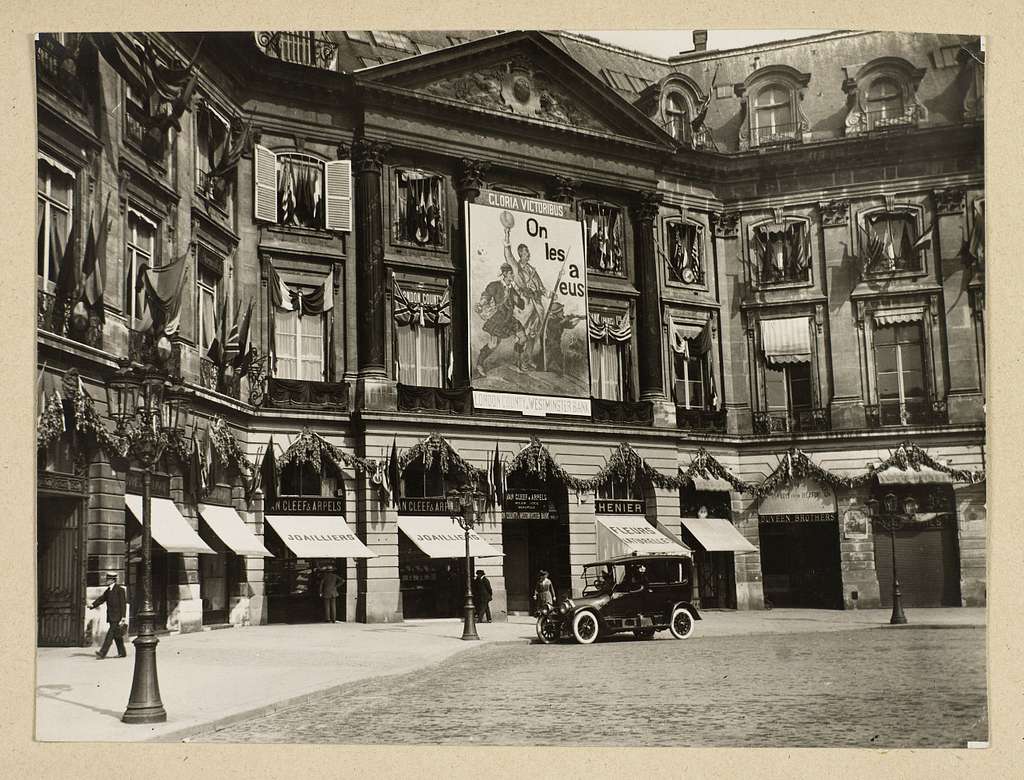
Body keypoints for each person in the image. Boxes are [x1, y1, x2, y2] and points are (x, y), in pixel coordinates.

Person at [474, 262, 527, 376]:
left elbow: (521, 305)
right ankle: (479, 364)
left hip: (509, 319)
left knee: (522, 338)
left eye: (513, 274)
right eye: (511, 274)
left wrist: (519, 299)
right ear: (504, 274)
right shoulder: (495, 285)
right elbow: (486, 296)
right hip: (498, 319)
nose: (513, 276)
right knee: (493, 345)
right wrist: (481, 304)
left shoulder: (512, 289)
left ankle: (517, 362)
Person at [90, 572, 127, 659]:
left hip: (117, 617)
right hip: (111, 616)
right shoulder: (108, 590)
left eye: (108, 579)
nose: (106, 581)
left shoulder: (120, 590)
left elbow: (123, 604)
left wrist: (123, 617)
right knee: (116, 635)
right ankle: (122, 652)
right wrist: (93, 605)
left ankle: (102, 653)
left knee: (110, 635)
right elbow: (101, 599)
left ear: (113, 580)